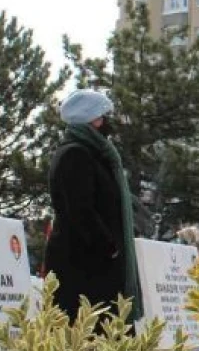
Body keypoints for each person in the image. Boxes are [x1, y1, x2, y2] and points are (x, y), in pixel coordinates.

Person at [43, 89, 142, 323]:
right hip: (83, 266)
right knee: (87, 335)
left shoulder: (94, 155)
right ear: (92, 120)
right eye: (104, 116)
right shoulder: (75, 155)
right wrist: (110, 246)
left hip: (97, 266)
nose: (108, 122)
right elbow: (80, 211)